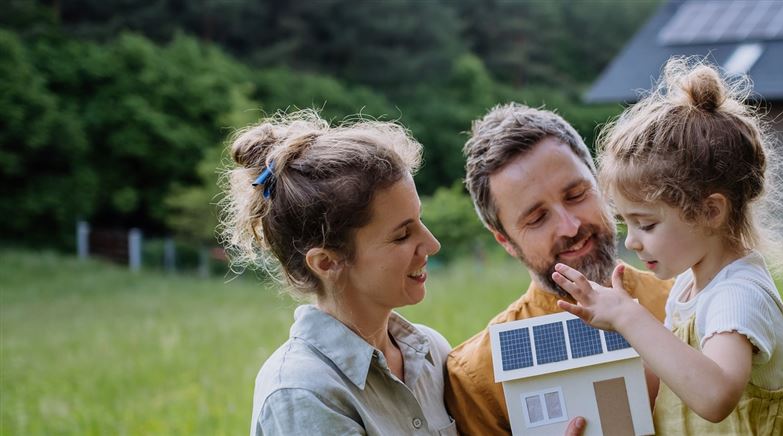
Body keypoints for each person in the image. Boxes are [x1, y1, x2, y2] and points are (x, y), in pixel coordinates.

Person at [223, 111, 591, 436]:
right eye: (402, 234)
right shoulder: (302, 393)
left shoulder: (431, 352)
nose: (431, 245)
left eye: (420, 221)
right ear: (326, 263)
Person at [552, 58, 783, 435]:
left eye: (646, 224)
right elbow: (672, 380)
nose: (631, 241)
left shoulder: (737, 297)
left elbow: (714, 397)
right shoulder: (690, 284)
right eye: (627, 223)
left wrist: (629, 317)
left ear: (710, 211)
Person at [445, 104, 673, 435]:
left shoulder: (689, 300)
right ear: (506, 241)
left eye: (577, 195)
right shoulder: (478, 375)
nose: (570, 226)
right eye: (537, 219)